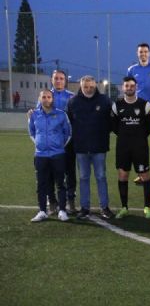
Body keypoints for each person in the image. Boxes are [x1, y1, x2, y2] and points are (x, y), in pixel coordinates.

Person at [66, 75, 113, 219]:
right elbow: (69, 124)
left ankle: (104, 207)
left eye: (91, 86)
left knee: (101, 177)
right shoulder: (73, 101)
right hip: (80, 148)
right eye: (85, 86)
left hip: (99, 147)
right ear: (81, 86)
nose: (88, 89)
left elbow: (112, 121)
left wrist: (103, 135)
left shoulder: (105, 100)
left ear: (95, 86)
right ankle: (84, 208)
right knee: (83, 178)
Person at [111, 77, 150, 219]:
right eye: (127, 86)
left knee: (145, 175)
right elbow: (114, 127)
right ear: (123, 88)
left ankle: (147, 207)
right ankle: (124, 208)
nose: (129, 88)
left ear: (136, 87)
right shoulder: (117, 105)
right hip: (123, 146)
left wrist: (137, 137)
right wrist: (126, 135)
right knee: (123, 175)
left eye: (132, 86)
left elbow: (149, 127)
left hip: (140, 146)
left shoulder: (145, 105)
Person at [28, 90, 72, 222]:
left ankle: (62, 210)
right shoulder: (34, 115)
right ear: (40, 99)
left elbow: (68, 133)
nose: (46, 99)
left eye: (49, 97)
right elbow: (31, 132)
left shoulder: (61, 114)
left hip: (58, 154)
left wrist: (58, 146)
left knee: (60, 183)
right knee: (41, 184)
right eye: (44, 97)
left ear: (52, 99)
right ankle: (42, 211)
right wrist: (40, 145)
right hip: (40, 155)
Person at [47, 69, 76, 214]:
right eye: (56, 78)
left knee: (70, 171)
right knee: (50, 172)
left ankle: (71, 201)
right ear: (52, 80)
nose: (58, 81)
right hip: (50, 142)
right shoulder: (46, 96)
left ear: (65, 81)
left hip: (68, 141)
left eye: (61, 78)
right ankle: (52, 201)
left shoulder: (72, 97)